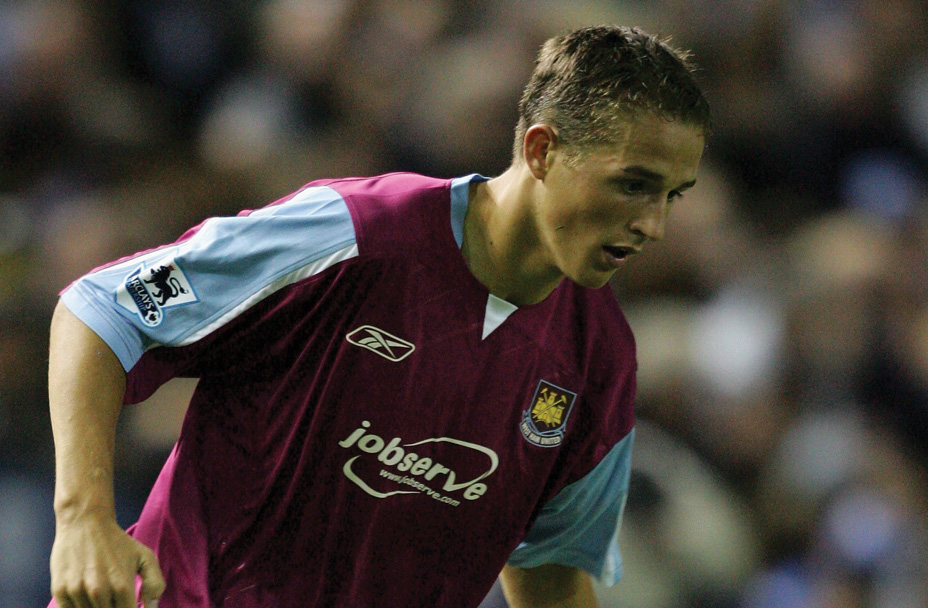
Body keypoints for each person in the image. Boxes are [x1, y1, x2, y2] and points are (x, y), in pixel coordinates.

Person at [46, 24, 710, 608]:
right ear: (540, 151)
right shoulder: (351, 234)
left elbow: (552, 572)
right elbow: (103, 308)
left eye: (672, 196)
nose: (653, 225)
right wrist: (83, 519)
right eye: (633, 184)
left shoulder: (600, 357)